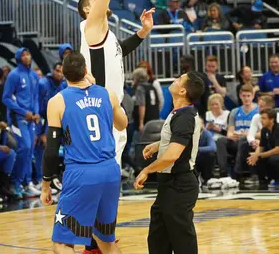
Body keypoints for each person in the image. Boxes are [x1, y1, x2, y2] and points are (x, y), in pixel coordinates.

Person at [76, 0, 154, 253]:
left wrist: (141, 33)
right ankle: (93, 234)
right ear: (86, 10)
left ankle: (97, 235)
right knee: (103, 178)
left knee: (108, 178)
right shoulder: (92, 24)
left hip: (112, 113)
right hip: (101, 113)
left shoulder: (103, 36)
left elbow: (119, 52)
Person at [39, 52, 128, 254]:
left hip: (81, 173)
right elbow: (122, 124)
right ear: (86, 70)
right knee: (107, 241)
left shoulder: (58, 101)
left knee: (62, 243)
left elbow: (52, 151)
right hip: (109, 171)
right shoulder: (107, 94)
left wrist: (46, 184)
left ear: (63, 73)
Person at [134, 72, 205, 254]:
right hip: (168, 184)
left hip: (180, 185)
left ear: (182, 90)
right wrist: (158, 145)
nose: (175, 79)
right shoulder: (179, 113)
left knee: (182, 240)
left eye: (179, 79)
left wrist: (147, 170)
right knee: (158, 238)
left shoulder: (185, 117)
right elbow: (180, 140)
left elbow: (173, 155)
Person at [2, 47, 41, 198]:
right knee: (24, 147)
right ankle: (15, 183)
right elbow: (6, 98)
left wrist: (36, 113)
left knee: (30, 149)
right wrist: (24, 113)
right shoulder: (14, 75)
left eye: (28, 53)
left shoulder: (33, 75)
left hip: (31, 118)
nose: (26, 56)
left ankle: (27, 183)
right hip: (18, 118)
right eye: (23, 55)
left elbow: (36, 97)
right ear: (18, 58)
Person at [216, 85, 258, 180]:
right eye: (244, 96)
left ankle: (237, 173)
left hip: (251, 142)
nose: (246, 98)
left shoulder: (258, 111)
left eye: (248, 96)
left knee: (243, 140)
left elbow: (260, 132)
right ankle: (223, 172)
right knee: (220, 140)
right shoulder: (235, 111)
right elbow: (230, 132)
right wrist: (232, 136)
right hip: (236, 140)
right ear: (240, 96)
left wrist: (244, 135)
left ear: (252, 96)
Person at [247, 109, 279, 187]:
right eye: (261, 118)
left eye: (264, 118)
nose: (261, 121)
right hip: (277, 154)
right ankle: (263, 180)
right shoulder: (264, 130)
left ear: (271, 119)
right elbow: (261, 146)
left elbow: (278, 150)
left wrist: (259, 155)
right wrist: (255, 155)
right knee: (255, 157)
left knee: (273, 159)